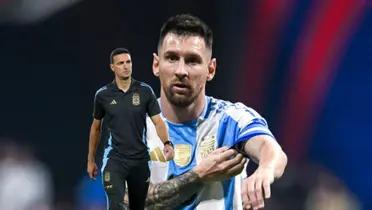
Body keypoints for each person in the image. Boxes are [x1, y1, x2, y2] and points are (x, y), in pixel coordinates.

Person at [133, 14, 288, 210]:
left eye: (192, 61)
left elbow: (273, 152)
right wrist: (199, 176)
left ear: (211, 69)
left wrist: (264, 170)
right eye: (172, 58)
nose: (181, 70)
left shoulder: (231, 120)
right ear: (156, 65)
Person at [86, 48, 174, 210]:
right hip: (115, 159)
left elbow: (158, 122)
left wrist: (167, 143)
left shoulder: (145, 91)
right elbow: (95, 128)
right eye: (120, 63)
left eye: (128, 62)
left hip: (140, 160)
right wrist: (91, 160)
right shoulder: (103, 95)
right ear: (112, 67)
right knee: (116, 204)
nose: (126, 66)